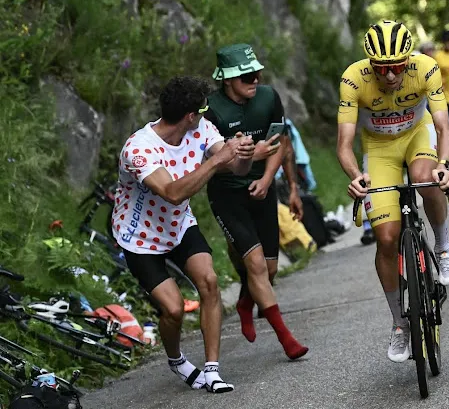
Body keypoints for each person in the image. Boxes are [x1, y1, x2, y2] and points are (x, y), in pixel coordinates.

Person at [111, 76, 255, 393]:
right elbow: (173, 193)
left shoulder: (201, 129)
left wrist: (242, 153)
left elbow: (235, 166)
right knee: (173, 309)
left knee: (210, 282)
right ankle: (176, 359)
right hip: (139, 236)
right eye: (201, 112)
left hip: (178, 225)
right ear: (189, 115)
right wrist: (217, 160)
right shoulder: (139, 150)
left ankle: (213, 370)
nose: (204, 118)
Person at [337, 20, 449, 363]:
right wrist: (354, 175)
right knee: (387, 238)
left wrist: (444, 165)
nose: (390, 76)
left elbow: (443, 127)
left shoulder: (426, 67)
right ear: (370, 65)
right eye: (382, 68)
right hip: (378, 150)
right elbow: (344, 144)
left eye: (397, 67)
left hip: (417, 136)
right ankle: (399, 324)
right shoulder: (353, 78)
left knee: (426, 177)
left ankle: (443, 245)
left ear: (408, 59)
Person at [203, 43, 308, 360]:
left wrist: (279, 184)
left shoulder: (267, 97)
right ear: (227, 80)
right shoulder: (211, 110)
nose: (255, 79)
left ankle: (246, 302)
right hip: (228, 195)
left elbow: (282, 142)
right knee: (257, 266)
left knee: (271, 270)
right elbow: (210, 160)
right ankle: (287, 340)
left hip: (262, 188)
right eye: (247, 76)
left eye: (257, 73)